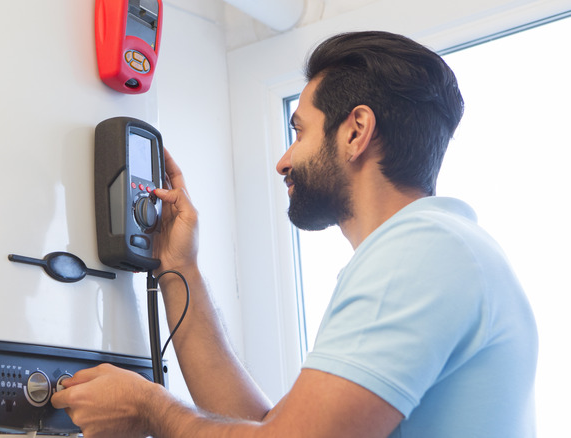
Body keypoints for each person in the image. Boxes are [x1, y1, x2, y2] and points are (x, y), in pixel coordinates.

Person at [51, 31, 538, 437]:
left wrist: (149, 407)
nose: (283, 160)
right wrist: (180, 266)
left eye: (300, 132)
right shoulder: (443, 249)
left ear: (356, 131)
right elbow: (266, 426)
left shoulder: (421, 252)